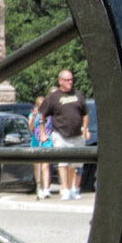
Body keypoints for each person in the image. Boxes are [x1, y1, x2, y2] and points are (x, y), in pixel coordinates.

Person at [39, 67, 88, 198]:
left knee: (74, 163)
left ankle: (72, 188)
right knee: (63, 162)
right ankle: (65, 189)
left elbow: (85, 113)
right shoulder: (53, 97)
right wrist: (43, 133)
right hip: (60, 134)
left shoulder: (78, 95)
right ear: (60, 81)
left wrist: (85, 129)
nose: (70, 82)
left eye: (71, 80)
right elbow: (41, 115)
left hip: (77, 134)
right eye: (67, 80)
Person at [29, 93, 52, 198]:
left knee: (45, 165)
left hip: (47, 141)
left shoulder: (49, 115)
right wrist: (33, 117)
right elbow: (30, 128)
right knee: (37, 165)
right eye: (39, 105)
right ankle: (39, 187)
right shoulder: (33, 115)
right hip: (35, 141)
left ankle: (46, 188)